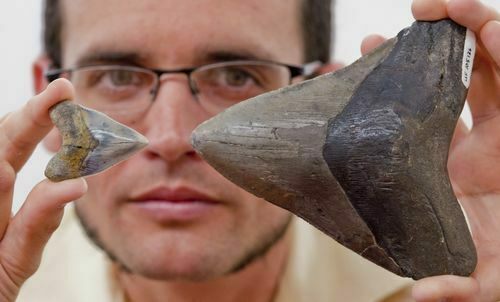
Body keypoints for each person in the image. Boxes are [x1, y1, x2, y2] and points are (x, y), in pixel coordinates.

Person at [0, 0, 498, 301]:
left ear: (325, 94)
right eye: (117, 77)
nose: (172, 139)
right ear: (50, 102)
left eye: (236, 75)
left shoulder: (447, 280)